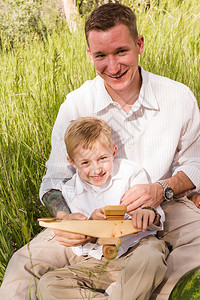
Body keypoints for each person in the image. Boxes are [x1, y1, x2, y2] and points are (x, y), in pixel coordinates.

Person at [0, 3, 200, 300]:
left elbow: (195, 161)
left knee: (185, 268)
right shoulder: (76, 105)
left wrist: (163, 189)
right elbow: (54, 180)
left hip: (165, 208)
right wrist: (66, 217)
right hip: (91, 214)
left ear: (139, 44)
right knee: (21, 267)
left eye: (121, 51)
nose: (113, 66)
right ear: (89, 55)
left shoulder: (177, 96)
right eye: (101, 56)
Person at [37, 116, 168, 299]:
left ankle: (121, 291)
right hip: (101, 261)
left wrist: (147, 213)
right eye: (85, 163)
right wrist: (91, 227)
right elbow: (81, 246)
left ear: (113, 152)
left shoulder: (131, 173)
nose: (96, 169)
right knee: (49, 284)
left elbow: (154, 214)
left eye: (102, 158)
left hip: (138, 247)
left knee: (151, 258)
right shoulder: (71, 192)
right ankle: (119, 292)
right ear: (72, 162)